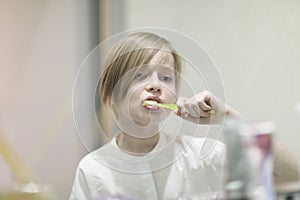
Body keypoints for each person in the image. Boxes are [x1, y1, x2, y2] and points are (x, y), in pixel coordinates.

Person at [70, 32, 299, 200]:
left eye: (166, 78)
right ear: (110, 93)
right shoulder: (92, 170)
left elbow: (292, 176)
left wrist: (228, 117)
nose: (156, 86)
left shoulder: (203, 156)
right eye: (140, 75)